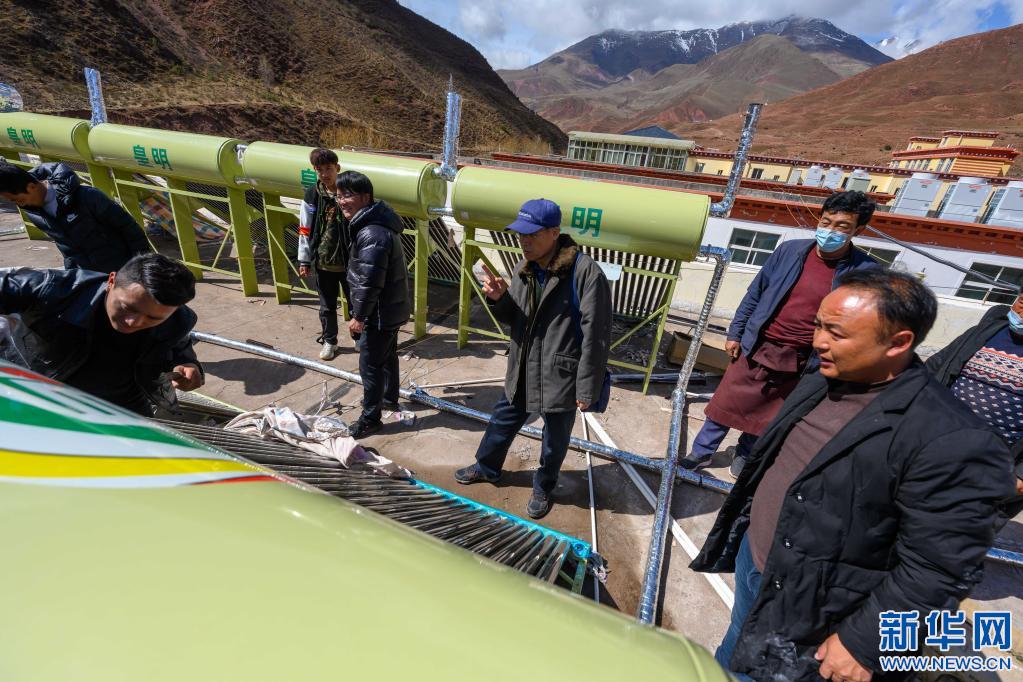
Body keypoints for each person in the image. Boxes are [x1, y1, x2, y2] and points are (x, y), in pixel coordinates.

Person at [691, 269, 1013, 682]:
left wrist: (864, 641)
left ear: (898, 342)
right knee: (733, 656)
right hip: (760, 564)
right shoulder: (825, 378)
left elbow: (941, 567)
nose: (818, 342)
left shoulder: (952, 440)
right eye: (818, 326)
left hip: (822, 612)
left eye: (836, 333)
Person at [681, 190, 881, 477]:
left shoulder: (866, 271)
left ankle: (745, 454)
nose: (830, 231)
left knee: (769, 416)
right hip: (758, 344)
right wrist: (736, 332)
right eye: (826, 222)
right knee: (726, 404)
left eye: (842, 226)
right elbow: (756, 292)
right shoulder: (790, 251)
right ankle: (701, 452)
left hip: (802, 359)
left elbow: (859, 322)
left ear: (858, 231)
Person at [453, 198, 612, 519]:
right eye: (520, 234)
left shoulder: (585, 273)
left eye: (532, 235)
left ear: (554, 233)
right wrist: (500, 299)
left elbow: (596, 336)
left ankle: (544, 485)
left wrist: (587, 388)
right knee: (502, 421)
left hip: (560, 372)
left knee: (555, 439)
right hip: (524, 366)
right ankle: (487, 466)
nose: (523, 241)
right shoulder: (523, 268)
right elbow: (517, 319)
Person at [0, 253, 203, 415]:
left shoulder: (177, 320)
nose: (133, 322)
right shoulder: (54, 290)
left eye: (152, 318)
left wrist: (186, 362)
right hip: (43, 388)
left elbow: (176, 343)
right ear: (111, 281)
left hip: (124, 400)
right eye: (127, 308)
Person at [926, 289, 1023, 516]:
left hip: (991, 469)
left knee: (949, 530)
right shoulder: (987, 331)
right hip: (931, 445)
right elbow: (932, 369)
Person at [339, 171, 410, 439]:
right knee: (387, 356)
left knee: (370, 366)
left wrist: (359, 316)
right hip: (389, 309)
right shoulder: (376, 225)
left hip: (378, 313)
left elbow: (369, 281)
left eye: (348, 195)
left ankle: (371, 419)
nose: (342, 201)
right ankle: (389, 399)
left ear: (365, 197)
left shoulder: (372, 233)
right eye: (339, 196)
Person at [0, 161, 151, 273]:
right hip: (89, 277)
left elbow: (128, 228)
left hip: (123, 270)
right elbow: (66, 248)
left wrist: (141, 266)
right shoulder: (34, 213)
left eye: (19, 200)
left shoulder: (87, 197)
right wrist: (71, 276)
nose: (20, 205)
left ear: (31, 187)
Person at [297, 148, 353, 361]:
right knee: (327, 306)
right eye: (320, 170)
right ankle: (330, 341)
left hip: (349, 262)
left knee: (356, 304)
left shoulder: (349, 191)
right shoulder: (312, 195)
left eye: (329, 169)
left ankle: (359, 337)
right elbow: (305, 229)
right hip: (323, 263)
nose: (325, 174)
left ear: (337, 168)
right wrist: (304, 259)